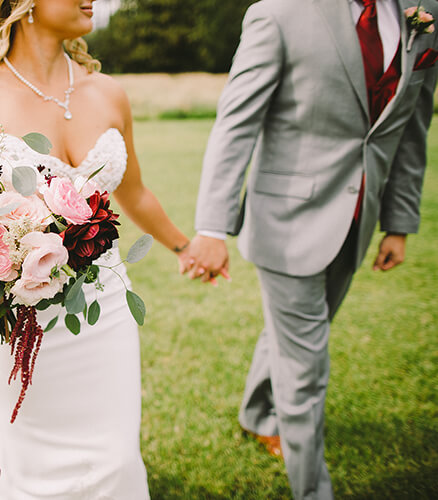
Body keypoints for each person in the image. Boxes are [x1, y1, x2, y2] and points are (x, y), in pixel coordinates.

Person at [0, 1, 192, 498]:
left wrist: (184, 247)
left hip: (105, 311)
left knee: (115, 458)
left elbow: (133, 192)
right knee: (31, 464)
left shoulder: (109, 93)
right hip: (20, 323)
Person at [185, 0, 438, 498]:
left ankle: (257, 414)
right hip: (287, 220)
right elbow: (237, 122)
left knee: (300, 331)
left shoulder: (423, 13)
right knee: (306, 368)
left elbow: (412, 126)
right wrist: (212, 228)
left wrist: (398, 223)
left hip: (359, 221)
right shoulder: (279, 13)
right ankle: (312, 489)